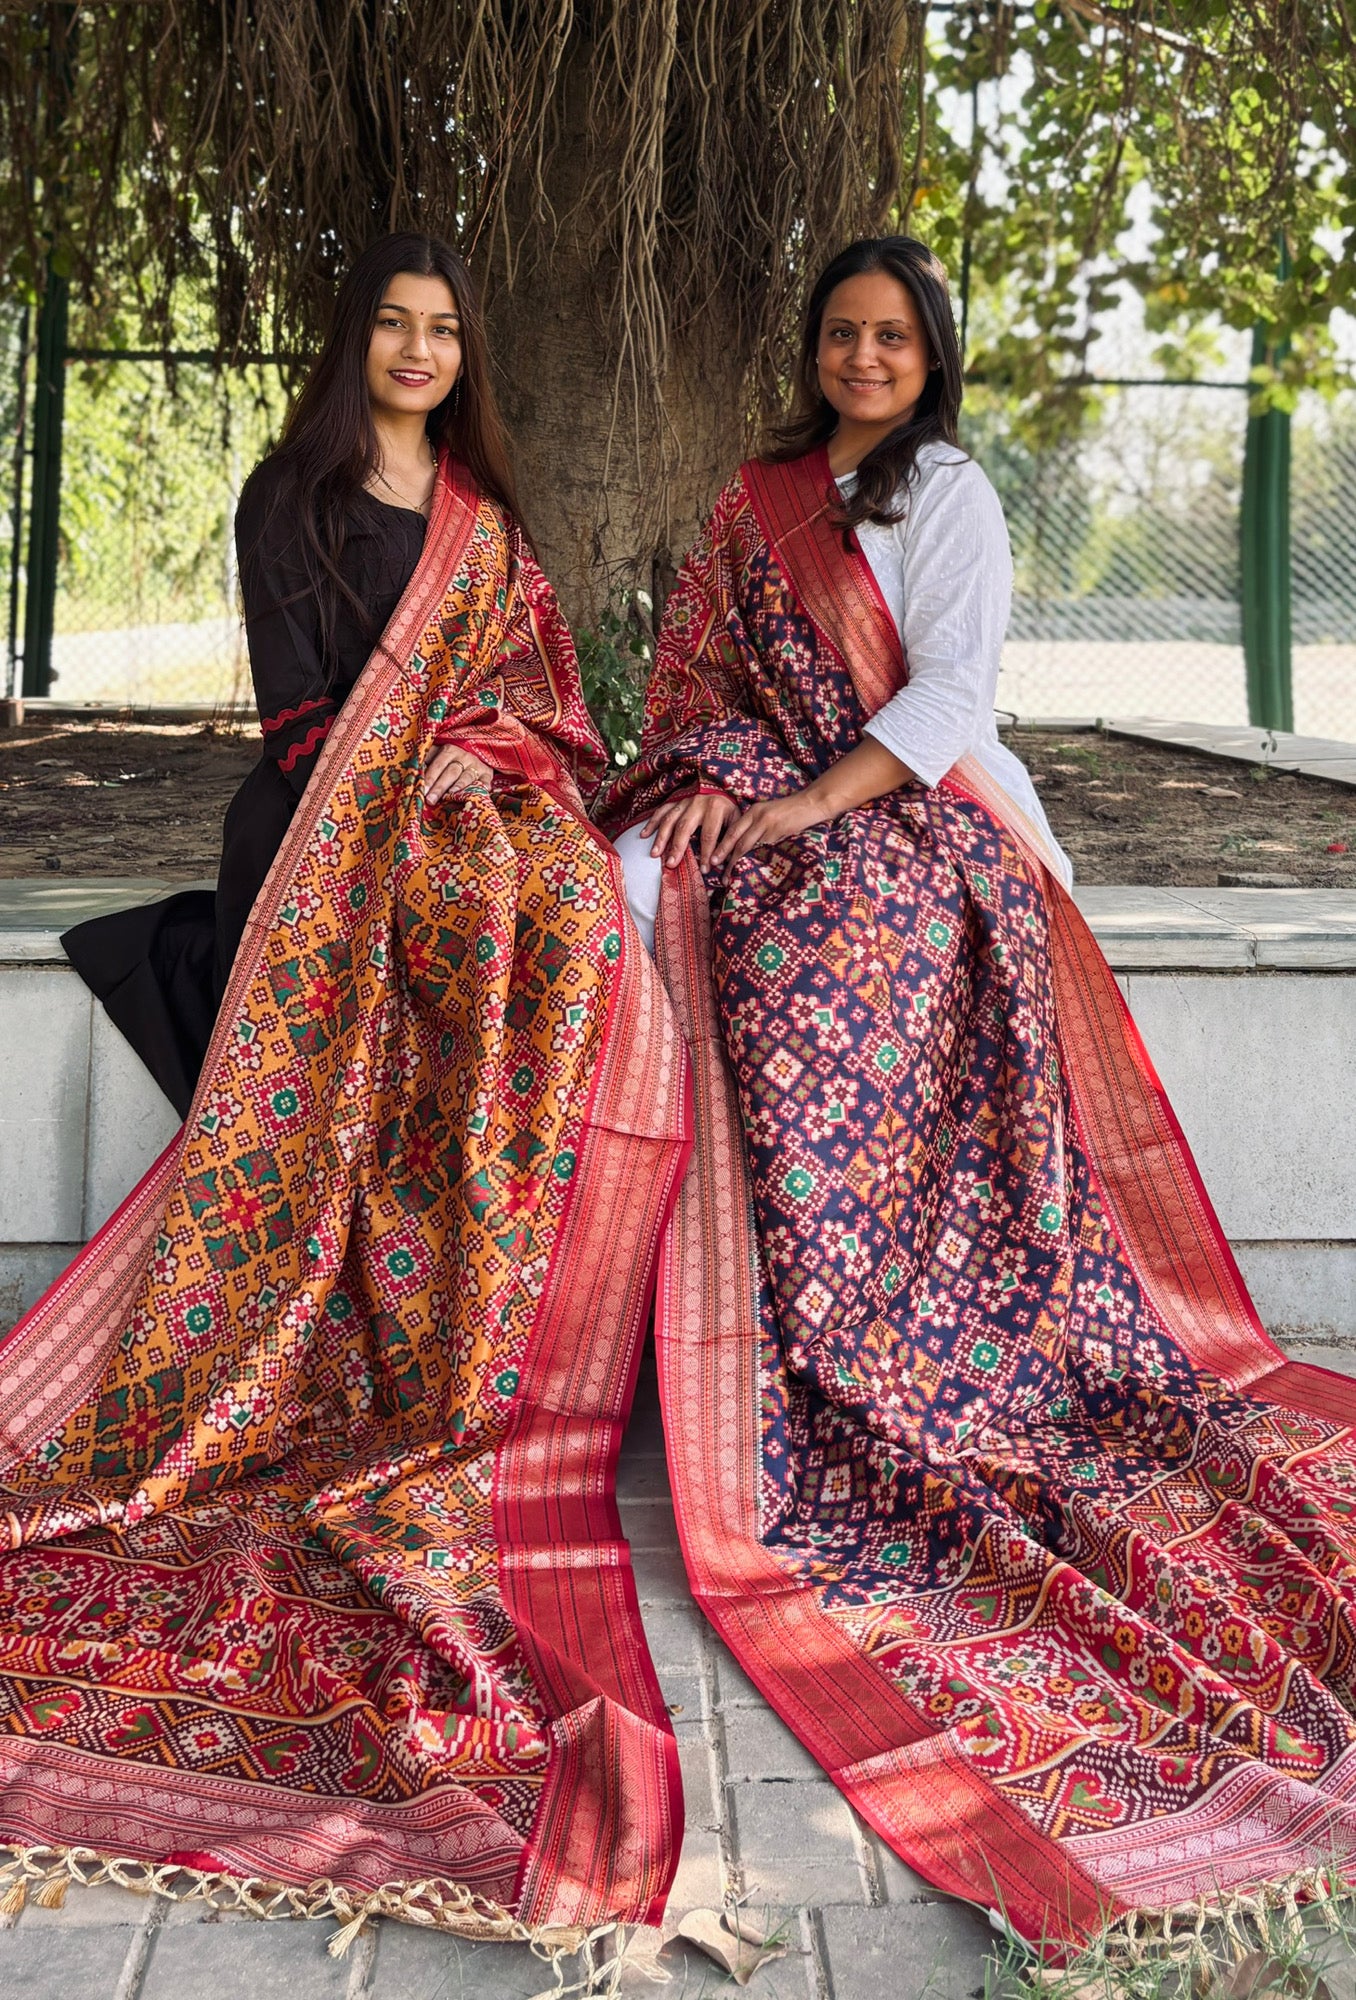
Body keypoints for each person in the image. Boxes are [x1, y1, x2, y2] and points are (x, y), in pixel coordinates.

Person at [599, 236, 1356, 1947]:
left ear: (931, 355)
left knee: (848, 939)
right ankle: (679, 1312)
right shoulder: (760, 498)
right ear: (814, 347)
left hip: (922, 790)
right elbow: (699, 691)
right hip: (771, 780)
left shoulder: (946, 494)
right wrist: (722, 779)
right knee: (632, 886)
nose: (864, 357)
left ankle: (854, 1332)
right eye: (842, 333)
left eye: (893, 337)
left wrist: (804, 808)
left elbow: (947, 693)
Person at [0, 233, 690, 1938]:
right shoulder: (291, 498)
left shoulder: (484, 519)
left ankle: (492, 1281)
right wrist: (417, 785)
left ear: (466, 356)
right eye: (393, 323)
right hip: (319, 830)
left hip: (465, 813)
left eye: (443, 329)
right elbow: (303, 716)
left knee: (564, 910)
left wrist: (485, 762)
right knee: (450, 901)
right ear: (356, 343)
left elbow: (546, 708)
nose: (418, 349)